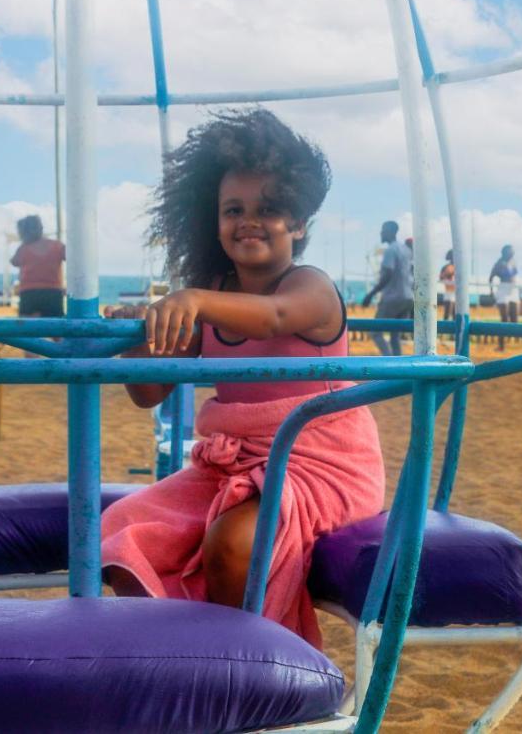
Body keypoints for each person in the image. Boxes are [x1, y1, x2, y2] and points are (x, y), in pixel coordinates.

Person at [100, 109, 384, 647]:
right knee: (123, 526)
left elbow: (275, 316)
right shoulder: (211, 292)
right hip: (236, 462)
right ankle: (183, 651)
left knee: (233, 542)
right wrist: (141, 340)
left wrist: (193, 301)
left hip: (320, 461)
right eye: (233, 209)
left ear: (298, 224)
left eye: (269, 209)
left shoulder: (310, 288)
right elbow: (149, 393)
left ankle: (248, 665)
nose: (249, 220)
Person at [361, 221, 413, 355]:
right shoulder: (406, 250)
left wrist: (371, 294)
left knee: (375, 332)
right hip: (407, 298)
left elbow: (388, 273)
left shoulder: (391, 250)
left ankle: (388, 361)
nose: (381, 233)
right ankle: (398, 368)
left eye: (383, 230)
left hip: (392, 298)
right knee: (395, 336)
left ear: (391, 231)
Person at [10, 214, 65, 317]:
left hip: (29, 293)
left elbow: (14, 261)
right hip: (53, 292)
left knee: (28, 328)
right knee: (55, 327)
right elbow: (69, 256)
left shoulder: (23, 248)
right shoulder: (57, 245)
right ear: (40, 228)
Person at [489, 244, 518, 350]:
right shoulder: (499, 263)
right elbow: (491, 277)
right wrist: (491, 291)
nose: (513, 253)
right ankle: (501, 345)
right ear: (505, 253)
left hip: (513, 290)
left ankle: (511, 340)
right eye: (511, 252)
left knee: (515, 319)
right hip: (503, 290)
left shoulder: (513, 262)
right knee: (504, 318)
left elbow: (514, 276)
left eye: (513, 252)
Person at [439, 248, 456, 321]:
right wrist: (448, 275)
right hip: (449, 293)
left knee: (455, 315)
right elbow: (441, 277)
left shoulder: (457, 266)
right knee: (448, 314)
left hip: (456, 293)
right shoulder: (447, 267)